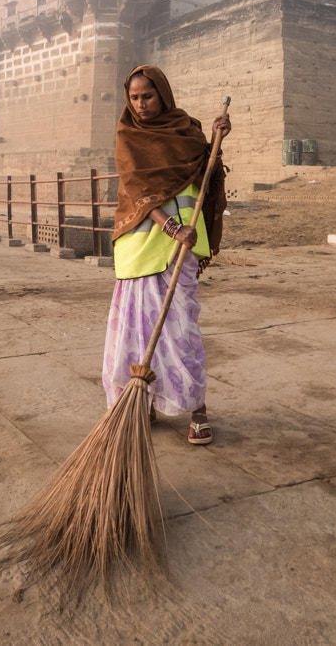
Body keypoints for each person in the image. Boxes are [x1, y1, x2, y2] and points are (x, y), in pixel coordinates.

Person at [103, 65, 231, 446]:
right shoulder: (128, 135)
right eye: (135, 97)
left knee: (181, 329)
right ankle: (144, 402)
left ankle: (198, 409)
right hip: (142, 242)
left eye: (148, 96)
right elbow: (137, 187)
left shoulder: (186, 130)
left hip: (182, 247)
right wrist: (173, 227)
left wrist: (216, 139)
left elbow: (204, 173)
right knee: (137, 332)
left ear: (163, 94)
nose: (140, 104)